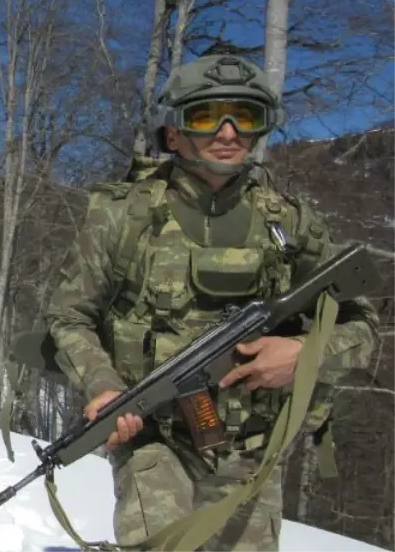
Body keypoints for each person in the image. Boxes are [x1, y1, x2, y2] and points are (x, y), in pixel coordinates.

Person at [43, 54, 379, 551]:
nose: (228, 133)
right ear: (174, 133)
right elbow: (69, 315)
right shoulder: (121, 217)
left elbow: (364, 321)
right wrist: (103, 386)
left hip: (252, 448)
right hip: (153, 435)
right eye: (206, 117)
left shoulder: (290, 224)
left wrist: (305, 355)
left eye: (246, 117)